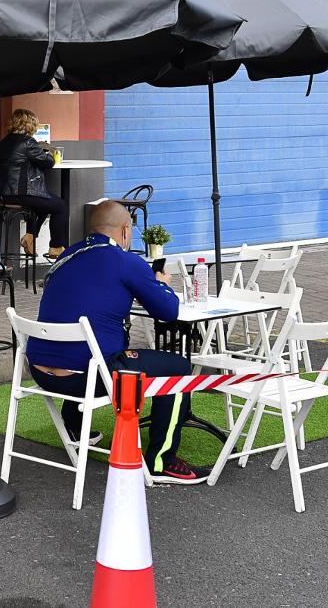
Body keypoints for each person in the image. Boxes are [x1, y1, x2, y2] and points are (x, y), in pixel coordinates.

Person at [25, 200, 204, 484]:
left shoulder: (66, 256)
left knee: (91, 347)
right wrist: (161, 284)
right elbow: (168, 312)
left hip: (40, 370)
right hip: (87, 377)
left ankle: (72, 426)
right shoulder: (126, 261)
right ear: (125, 229)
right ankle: (163, 460)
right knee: (178, 367)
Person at [0, 108, 69, 259]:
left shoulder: (3, 142)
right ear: (30, 125)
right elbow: (48, 163)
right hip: (20, 193)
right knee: (60, 206)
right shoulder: (28, 142)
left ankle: (30, 236)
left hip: (4, 194)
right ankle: (56, 247)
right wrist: (48, 151)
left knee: (44, 203)